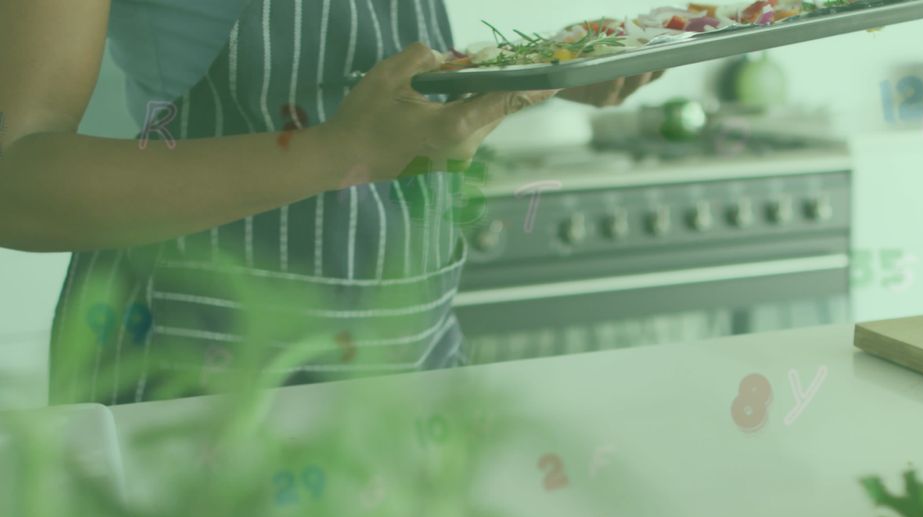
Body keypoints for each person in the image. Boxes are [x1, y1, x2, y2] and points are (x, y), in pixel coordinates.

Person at [0, 0, 661, 405]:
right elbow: (14, 181)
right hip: (197, 385)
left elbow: (370, 88)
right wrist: (336, 152)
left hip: (407, 363)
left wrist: (536, 73)